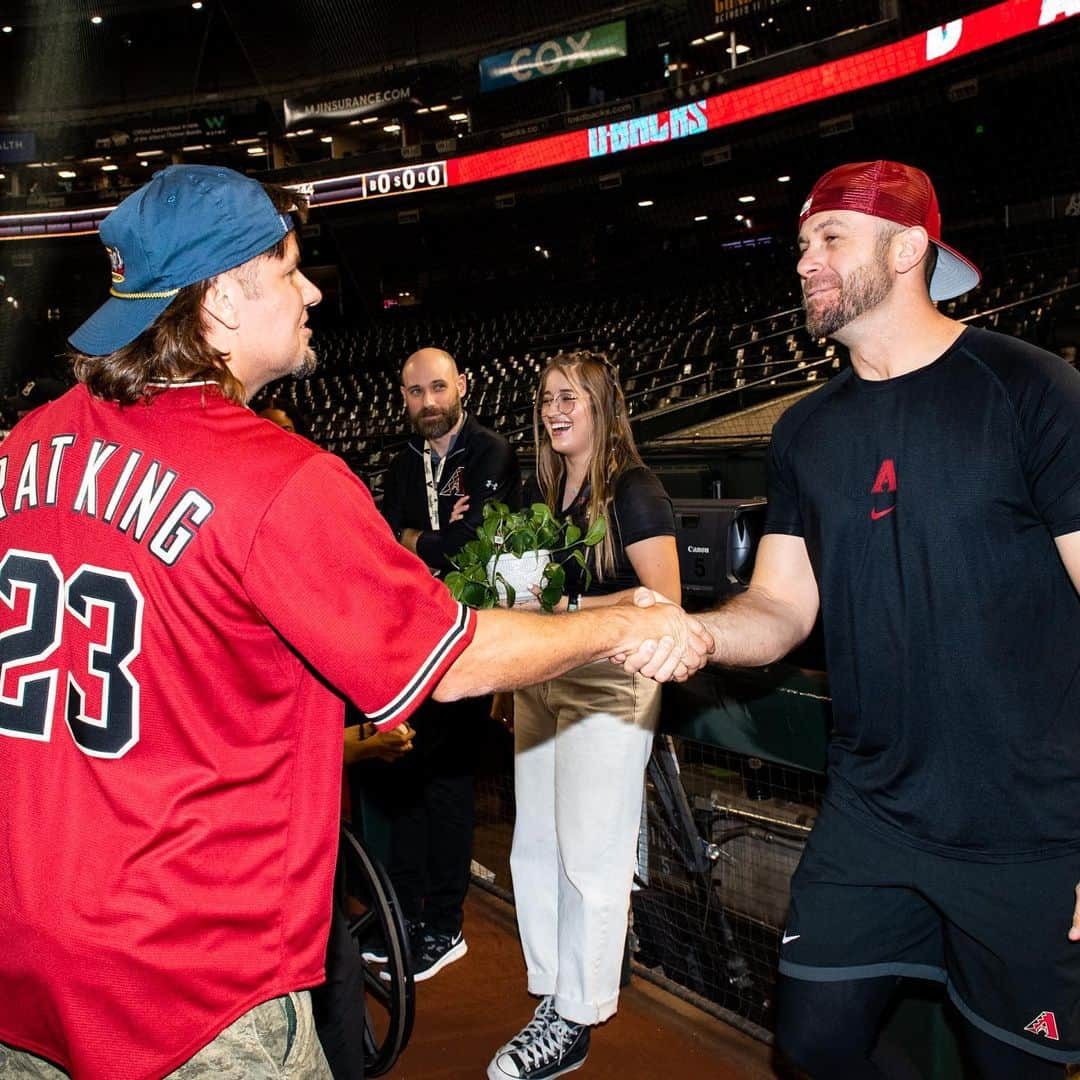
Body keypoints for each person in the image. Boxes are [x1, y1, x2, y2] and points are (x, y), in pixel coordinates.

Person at [0, 164, 711, 1080]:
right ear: (220, 302)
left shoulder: (28, 444)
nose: (311, 290)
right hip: (189, 979)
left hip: (26, 948)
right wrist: (618, 623)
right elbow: (452, 659)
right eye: (290, 267)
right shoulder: (276, 477)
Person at [683, 160, 1080, 1078]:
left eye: (829, 240)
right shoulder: (805, 433)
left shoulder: (1031, 390)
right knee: (813, 1046)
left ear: (908, 251)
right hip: (874, 814)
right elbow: (781, 606)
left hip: (1027, 829)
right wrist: (698, 633)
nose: (804, 264)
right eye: (801, 246)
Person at [487, 351, 681, 1080]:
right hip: (548, 680)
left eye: (570, 397)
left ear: (603, 404)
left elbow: (665, 604)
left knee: (590, 856)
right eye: (544, 399)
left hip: (611, 687)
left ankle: (580, 1012)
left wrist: (568, 608)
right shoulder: (551, 489)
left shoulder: (633, 488)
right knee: (535, 849)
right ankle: (554, 996)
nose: (553, 410)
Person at [372, 346, 521, 981]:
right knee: (405, 775)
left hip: (468, 640)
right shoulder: (399, 461)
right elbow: (380, 539)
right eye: (414, 392)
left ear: (462, 384)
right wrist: (417, 539)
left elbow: (476, 543)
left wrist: (418, 539)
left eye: (437, 388)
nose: (427, 403)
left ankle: (445, 923)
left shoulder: (491, 452)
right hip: (408, 638)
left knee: (450, 782)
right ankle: (406, 913)